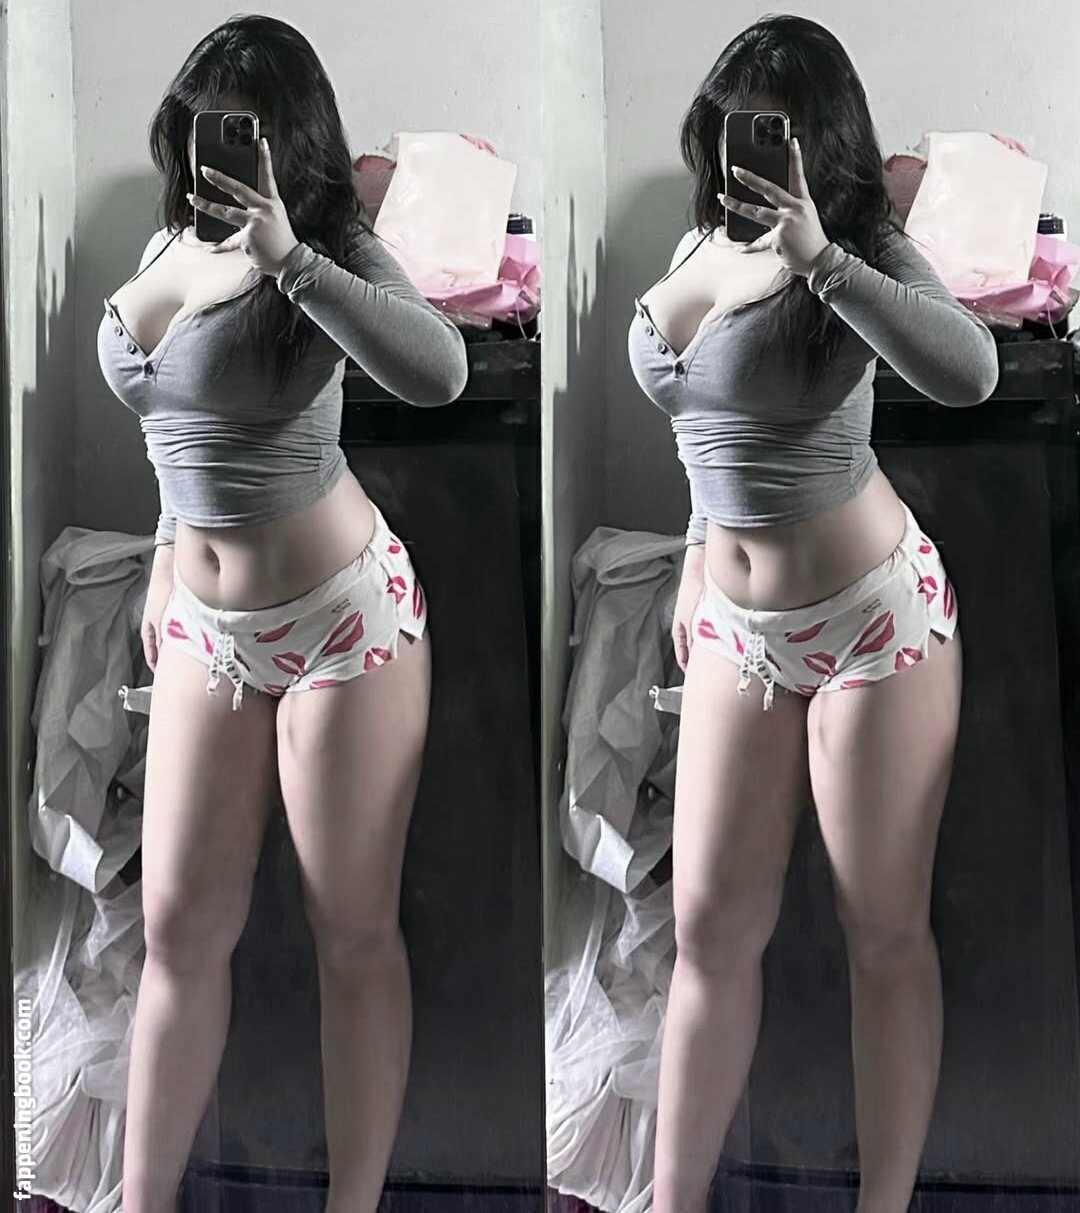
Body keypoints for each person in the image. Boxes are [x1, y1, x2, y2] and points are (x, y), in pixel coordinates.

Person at [626, 15, 999, 1213]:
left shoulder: (861, 244)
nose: (745, 152)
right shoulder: (702, 235)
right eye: (730, 126)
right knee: (707, 933)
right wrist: (697, 543)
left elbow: (970, 370)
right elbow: (701, 413)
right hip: (738, 631)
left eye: (773, 131)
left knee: (881, 933)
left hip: (871, 625)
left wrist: (823, 257)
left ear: (820, 137)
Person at [96, 15, 467, 1212]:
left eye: (241, 130)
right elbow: (171, 413)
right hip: (206, 631)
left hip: (339, 625)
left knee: (349, 932)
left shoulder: (329, 243)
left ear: (289, 137)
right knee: (175, 933)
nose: (213, 151)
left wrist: (291, 257)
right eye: (198, 125)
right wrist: (167, 541)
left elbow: (439, 369)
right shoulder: (171, 234)